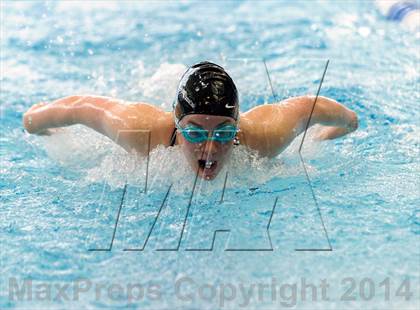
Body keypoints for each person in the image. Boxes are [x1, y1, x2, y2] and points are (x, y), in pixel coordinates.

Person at [23, 61, 358, 180]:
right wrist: (35, 121)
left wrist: (329, 135)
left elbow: (317, 108)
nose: (211, 147)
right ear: (176, 124)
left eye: (225, 132)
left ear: (237, 125)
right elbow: (80, 108)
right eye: (195, 133)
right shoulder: (142, 131)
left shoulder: (264, 135)